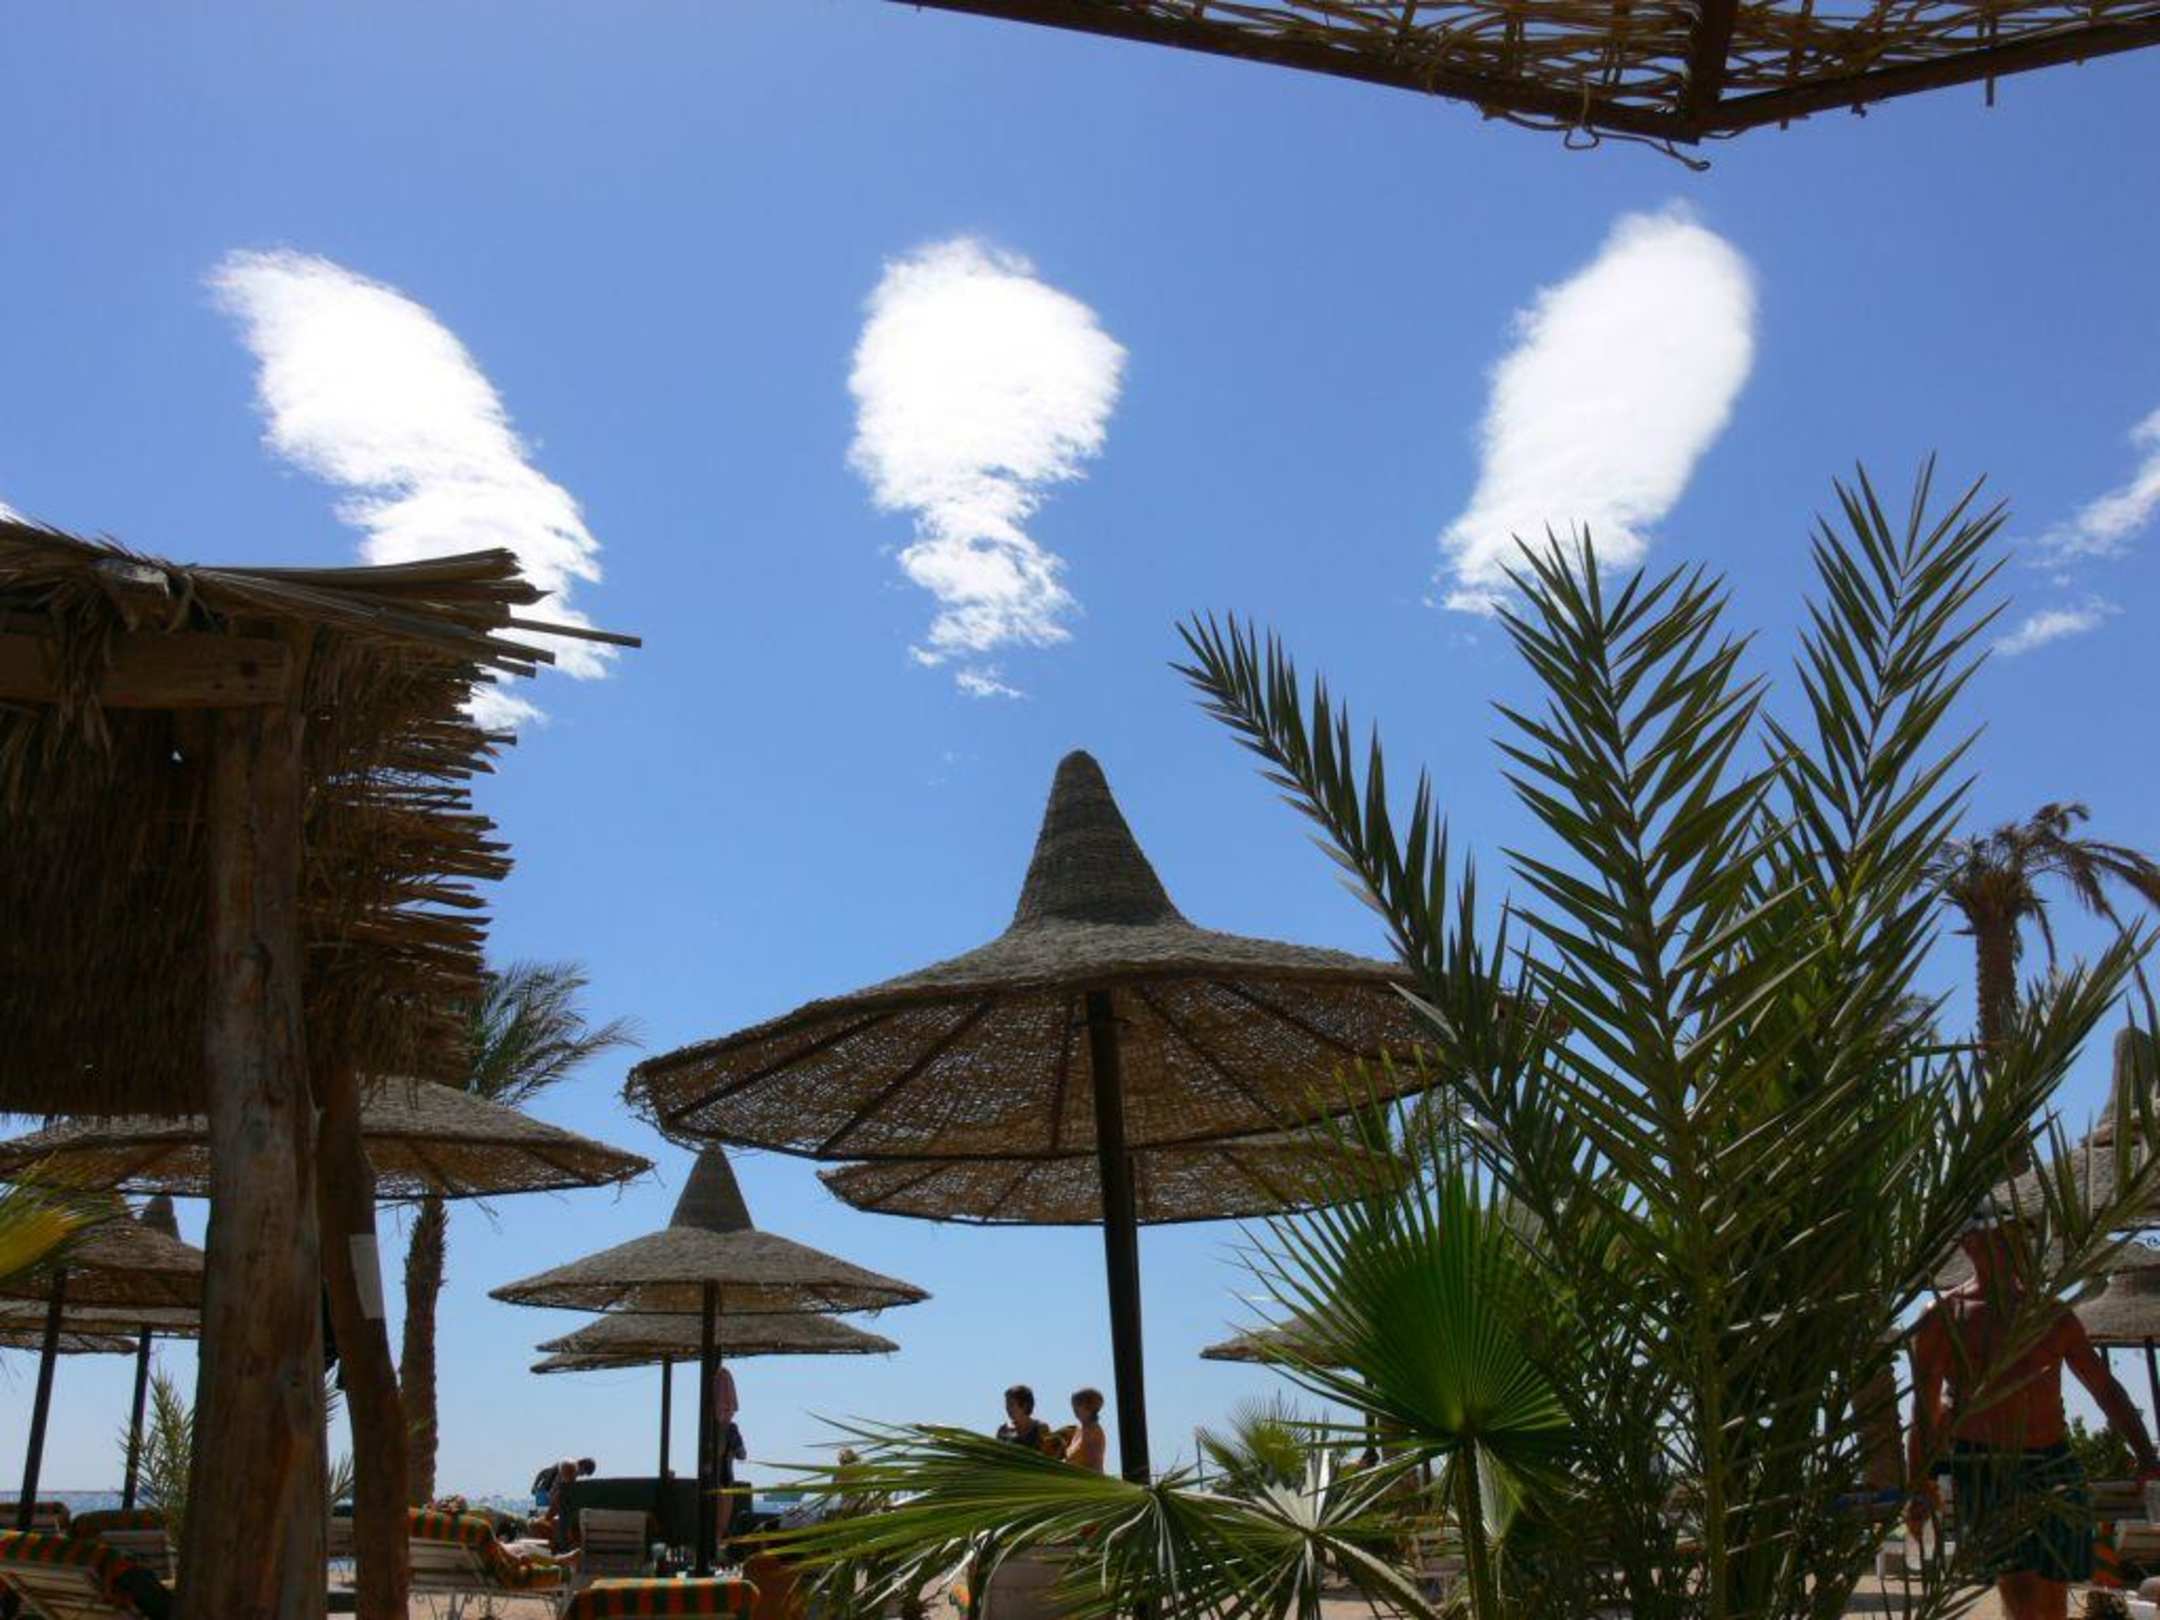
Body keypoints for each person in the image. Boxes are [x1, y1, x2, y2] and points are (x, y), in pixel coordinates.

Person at [1907, 1203, 2160, 1620]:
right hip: (1984, 1467)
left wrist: (2147, 1456)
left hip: (2053, 1464)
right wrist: (1920, 1483)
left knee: (2052, 1597)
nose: (2012, 1247)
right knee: (2022, 1592)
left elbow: (2104, 1388)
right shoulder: (1945, 1318)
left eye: (2016, 1238)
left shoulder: (2050, 1314)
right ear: (1969, 1244)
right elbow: (1925, 1408)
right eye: (1999, 1238)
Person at [996, 1384, 1051, 1452]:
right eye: (1006, 1405)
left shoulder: (1040, 1428)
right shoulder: (1004, 1431)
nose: (1007, 1408)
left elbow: (1048, 1453)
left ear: (1024, 1406)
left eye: (1011, 1404)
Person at [1065, 1387, 1107, 1473]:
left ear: (1088, 1407)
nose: (1074, 1409)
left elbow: (1093, 1465)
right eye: (1074, 1405)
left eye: (1078, 1404)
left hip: (1088, 1480)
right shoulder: (1078, 1431)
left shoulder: (1093, 1431)